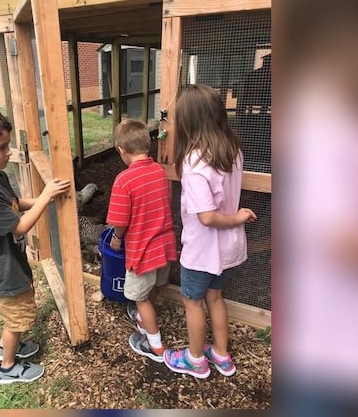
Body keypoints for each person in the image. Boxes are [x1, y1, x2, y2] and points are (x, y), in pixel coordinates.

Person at [0, 107, 70, 384]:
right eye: (2, 147)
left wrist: (45, 199)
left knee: (15, 313)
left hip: (10, 261)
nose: (9, 152)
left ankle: (7, 347)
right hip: (1, 269)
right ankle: (7, 368)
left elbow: (16, 205)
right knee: (16, 317)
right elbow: (19, 225)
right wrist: (45, 196)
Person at [163, 84, 257, 379]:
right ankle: (221, 354)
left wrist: (238, 217)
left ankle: (194, 360)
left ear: (189, 120)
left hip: (203, 251)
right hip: (228, 248)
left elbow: (206, 217)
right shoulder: (233, 150)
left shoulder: (194, 162)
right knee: (216, 298)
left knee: (192, 302)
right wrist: (236, 219)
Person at [106, 119, 177, 362]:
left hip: (142, 251)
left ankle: (154, 346)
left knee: (140, 297)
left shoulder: (124, 180)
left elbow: (120, 221)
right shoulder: (159, 171)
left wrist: (116, 237)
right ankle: (142, 316)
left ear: (121, 150)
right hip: (164, 245)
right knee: (154, 287)